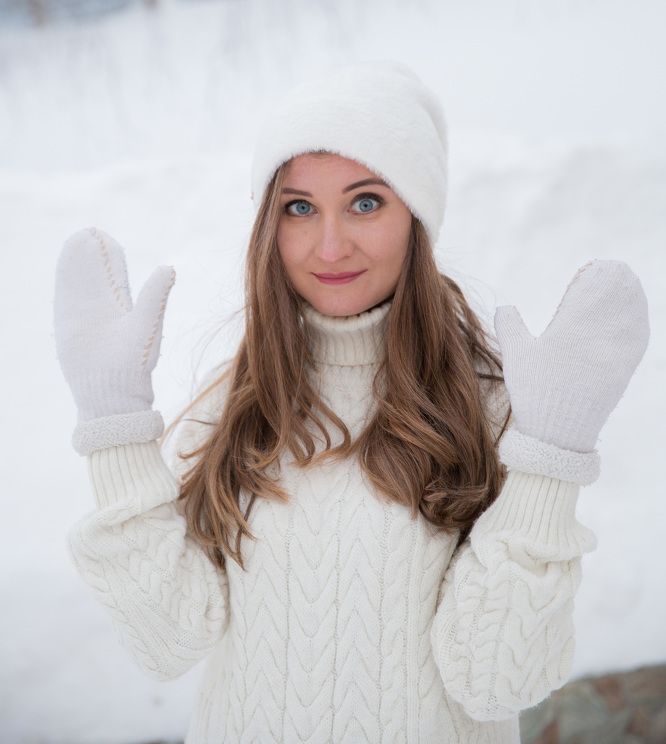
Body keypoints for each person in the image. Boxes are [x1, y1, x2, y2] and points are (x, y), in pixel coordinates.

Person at [53, 60, 650, 744]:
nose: (329, 244)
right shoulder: (237, 410)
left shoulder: (492, 413)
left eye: (366, 201)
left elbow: (496, 682)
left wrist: (549, 461)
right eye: (299, 207)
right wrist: (113, 429)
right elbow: (169, 641)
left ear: (417, 217)